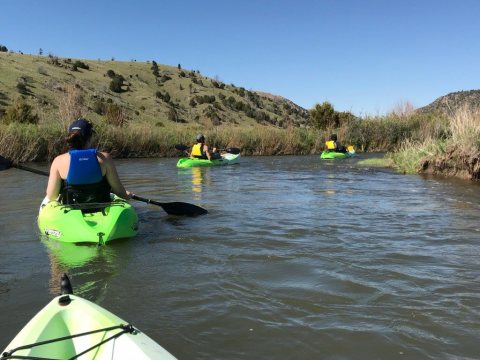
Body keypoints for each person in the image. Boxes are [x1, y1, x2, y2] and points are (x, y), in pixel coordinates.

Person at [46, 118, 131, 204]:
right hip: (101, 207)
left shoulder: (58, 161)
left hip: (70, 209)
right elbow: (120, 192)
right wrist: (127, 195)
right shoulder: (105, 158)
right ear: (90, 138)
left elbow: (51, 196)